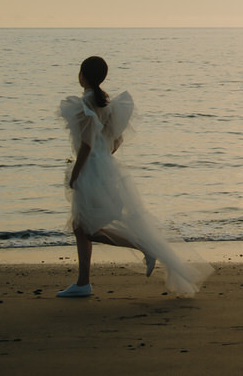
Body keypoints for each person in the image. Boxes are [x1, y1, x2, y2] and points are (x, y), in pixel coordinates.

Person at [56, 55, 207, 298]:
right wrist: (103, 157)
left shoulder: (84, 104)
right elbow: (116, 141)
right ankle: (83, 282)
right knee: (81, 227)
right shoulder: (105, 104)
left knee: (88, 228)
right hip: (104, 167)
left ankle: (143, 248)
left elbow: (86, 144)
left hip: (92, 170)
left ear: (82, 75)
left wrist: (76, 174)